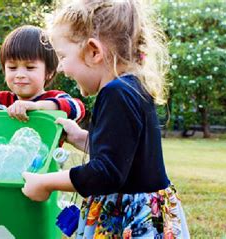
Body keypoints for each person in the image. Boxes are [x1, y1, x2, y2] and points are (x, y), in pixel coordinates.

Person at [21, 1, 190, 238]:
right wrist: (80, 137)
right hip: (148, 212)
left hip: (130, 220)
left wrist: (45, 182)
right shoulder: (132, 86)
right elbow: (123, 155)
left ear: (93, 52)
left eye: (62, 56)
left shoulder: (115, 93)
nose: (61, 68)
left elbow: (106, 173)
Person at [0, 25, 85, 123]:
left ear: (49, 72)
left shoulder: (54, 98)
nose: (19, 74)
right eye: (12, 67)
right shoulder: (0, 102)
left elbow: (77, 108)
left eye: (30, 67)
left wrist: (36, 106)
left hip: (44, 160)